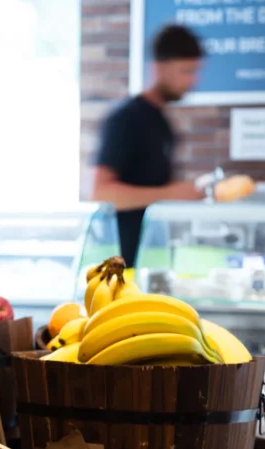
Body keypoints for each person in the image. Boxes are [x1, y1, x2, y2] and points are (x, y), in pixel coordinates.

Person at [93, 24, 206, 267]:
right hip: (119, 264)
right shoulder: (125, 118)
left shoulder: (163, 123)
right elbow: (102, 193)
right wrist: (171, 193)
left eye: (195, 71)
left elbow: (153, 185)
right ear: (160, 68)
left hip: (149, 259)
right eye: (186, 71)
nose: (192, 80)